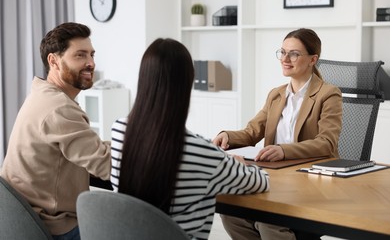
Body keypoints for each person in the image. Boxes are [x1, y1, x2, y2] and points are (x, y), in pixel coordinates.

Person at [110, 38, 270, 240]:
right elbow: (261, 182)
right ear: (186, 85)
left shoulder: (119, 131)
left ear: (143, 79)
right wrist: (238, 163)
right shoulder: (202, 153)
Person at [212, 28, 342, 240]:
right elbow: (253, 131)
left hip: (309, 181)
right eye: (282, 52)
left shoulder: (328, 94)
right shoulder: (276, 94)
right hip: (274, 177)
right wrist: (228, 136)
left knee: (268, 219)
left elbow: (326, 143)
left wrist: (283, 150)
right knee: (231, 213)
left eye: (293, 54)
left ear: (312, 59)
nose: (285, 59)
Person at [1, 22, 111, 240]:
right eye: (80, 55)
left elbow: (88, 149)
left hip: (22, 218)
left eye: (91, 54)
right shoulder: (59, 109)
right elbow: (106, 166)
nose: (91, 63)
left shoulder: (42, 95)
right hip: (52, 226)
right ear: (54, 61)